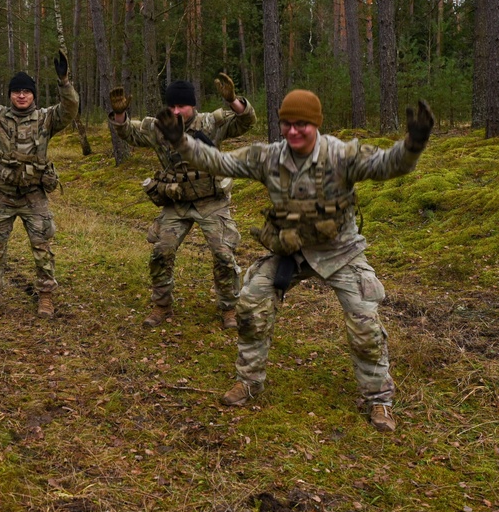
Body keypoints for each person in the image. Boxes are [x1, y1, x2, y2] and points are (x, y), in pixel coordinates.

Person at [153, 90, 435, 432]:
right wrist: (181, 142)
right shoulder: (268, 157)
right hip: (290, 251)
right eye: (287, 123)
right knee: (251, 303)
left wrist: (413, 144)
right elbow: (219, 162)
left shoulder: (342, 154)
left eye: (301, 124)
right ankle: (249, 381)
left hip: (340, 252)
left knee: (365, 325)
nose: (293, 131)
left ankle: (379, 400)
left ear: (315, 124)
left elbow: (388, 165)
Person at [108, 75, 256, 329]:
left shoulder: (211, 123)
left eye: (182, 106)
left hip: (211, 201)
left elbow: (246, 122)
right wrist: (120, 116)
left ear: (193, 105)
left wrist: (233, 100)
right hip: (176, 201)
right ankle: (162, 305)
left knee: (223, 255)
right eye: (172, 106)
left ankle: (229, 308)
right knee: (161, 251)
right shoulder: (159, 127)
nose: (176, 111)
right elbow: (129, 133)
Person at [0, 46, 79, 318]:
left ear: (33, 95)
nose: (22, 95)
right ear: (11, 95)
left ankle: (46, 296)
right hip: (4, 195)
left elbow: (71, 107)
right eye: (17, 91)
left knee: (42, 248)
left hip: (34, 195)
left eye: (26, 91)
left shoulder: (47, 118)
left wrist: (64, 82)